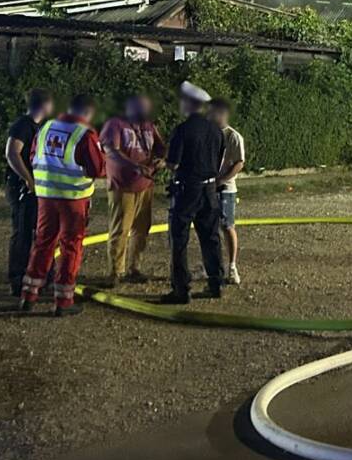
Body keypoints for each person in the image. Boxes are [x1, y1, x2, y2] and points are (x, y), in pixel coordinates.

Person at [19, 93, 105, 317]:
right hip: (73, 200)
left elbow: (32, 156)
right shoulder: (84, 134)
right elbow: (97, 168)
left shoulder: (46, 128)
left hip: (46, 197)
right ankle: (63, 301)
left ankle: (28, 295)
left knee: (43, 242)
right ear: (88, 112)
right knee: (70, 246)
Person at [162, 81, 225, 304]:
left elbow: (172, 164)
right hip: (210, 189)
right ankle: (216, 283)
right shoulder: (216, 130)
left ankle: (181, 289)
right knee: (211, 237)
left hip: (188, 189)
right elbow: (218, 161)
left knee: (179, 239)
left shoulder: (183, 130)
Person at [99, 94, 166, 286]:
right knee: (120, 229)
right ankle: (115, 272)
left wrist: (160, 159)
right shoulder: (115, 124)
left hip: (145, 185)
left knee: (141, 229)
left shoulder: (148, 126)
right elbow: (111, 150)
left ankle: (134, 268)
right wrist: (135, 166)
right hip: (123, 186)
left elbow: (161, 147)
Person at [4, 88, 54, 297]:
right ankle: (18, 279)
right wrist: (28, 179)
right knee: (23, 234)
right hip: (23, 188)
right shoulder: (23, 125)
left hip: (34, 187)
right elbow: (12, 153)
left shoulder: (37, 126)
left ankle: (39, 275)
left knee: (38, 232)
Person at [208, 98, 246, 286]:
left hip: (226, 189)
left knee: (227, 225)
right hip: (208, 187)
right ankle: (212, 266)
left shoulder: (233, 136)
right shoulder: (208, 134)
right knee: (209, 228)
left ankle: (232, 266)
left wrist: (222, 180)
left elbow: (239, 162)